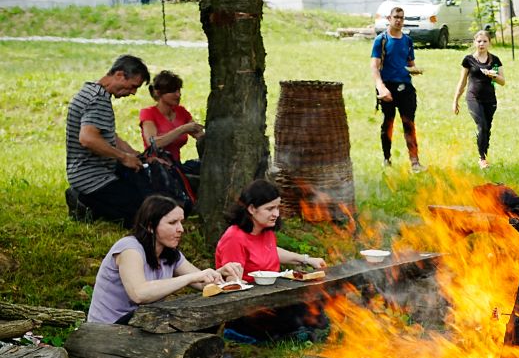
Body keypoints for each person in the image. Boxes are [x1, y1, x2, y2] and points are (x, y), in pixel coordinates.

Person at [88, 195, 240, 324]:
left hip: (143, 324)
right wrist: (190, 278)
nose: (181, 229)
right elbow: (138, 294)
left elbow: (202, 283)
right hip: (109, 330)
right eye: (173, 223)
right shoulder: (129, 249)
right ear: (150, 226)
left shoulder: (170, 253)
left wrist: (223, 275)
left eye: (181, 222)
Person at [66, 54, 151, 226]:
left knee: (141, 192)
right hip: (93, 177)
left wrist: (135, 154)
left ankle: (87, 199)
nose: (133, 92)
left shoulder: (90, 91)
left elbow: (109, 136)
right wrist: (124, 158)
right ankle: (84, 201)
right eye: (133, 86)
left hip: (84, 172)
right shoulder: (99, 101)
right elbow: (88, 138)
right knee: (142, 215)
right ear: (119, 75)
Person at [215, 179, 326, 281]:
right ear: (252, 209)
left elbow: (269, 251)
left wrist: (306, 260)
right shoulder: (234, 238)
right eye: (270, 209)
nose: (276, 214)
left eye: (277, 207)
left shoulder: (265, 229)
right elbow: (231, 281)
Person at [372, 7, 424, 170]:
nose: (399, 20)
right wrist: (381, 88)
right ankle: (387, 158)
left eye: (402, 18)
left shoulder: (407, 40)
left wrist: (415, 70)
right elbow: (374, 66)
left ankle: (415, 161)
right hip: (387, 87)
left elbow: (410, 63)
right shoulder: (381, 40)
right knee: (388, 123)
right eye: (396, 17)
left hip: (406, 87)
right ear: (389, 18)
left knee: (409, 123)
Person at [453, 30, 506, 169]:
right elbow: (462, 81)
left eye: (484, 41)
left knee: (487, 128)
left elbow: (502, 81)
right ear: (474, 42)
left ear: (489, 43)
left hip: (490, 99)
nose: (481, 44)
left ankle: (484, 154)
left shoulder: (495, 60)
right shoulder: (468, 60)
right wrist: (455, 100)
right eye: (479, 41)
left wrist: (492, 75)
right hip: (473, 97)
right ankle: (482, 158)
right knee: (482, 125)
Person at [139, 70, 204, 170]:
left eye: (179, 90)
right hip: (157, 169)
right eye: (173, 91)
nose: (178, 95)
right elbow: (153, 144)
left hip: (176, 166)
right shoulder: (148, 113)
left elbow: (199, 135)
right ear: (159, 93)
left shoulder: (181, 111)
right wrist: (182, 129)